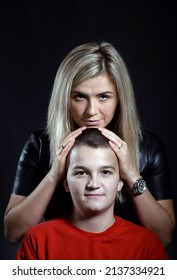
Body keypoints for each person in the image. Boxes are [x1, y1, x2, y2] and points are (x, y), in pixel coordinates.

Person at [4, 41, 175, 247]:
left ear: (120, 98)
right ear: (65, 98)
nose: (91, 111)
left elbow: (164, 236)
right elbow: (13, 233)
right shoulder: (39, 146)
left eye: (103, 97)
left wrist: (130, 174)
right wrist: (55, 175)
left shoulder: (147, 148)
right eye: (80, 97)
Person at [16, 128, 168, 260]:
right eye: (81, 172)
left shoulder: (146, 245)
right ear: (66, 183)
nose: (94, 184)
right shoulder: (38, 240)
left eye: (106, 172)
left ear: (121, 182)